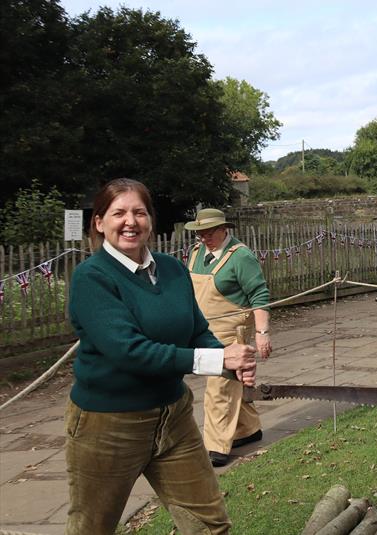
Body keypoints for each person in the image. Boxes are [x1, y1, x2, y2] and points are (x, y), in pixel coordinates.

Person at [66, 178, 257, 535]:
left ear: (151, 220)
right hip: (108, 426)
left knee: (210, 525)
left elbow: (197, 330)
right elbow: (131, 352)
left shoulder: (171, 269)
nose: (130, 221)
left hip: (174, 418)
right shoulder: (91, 279)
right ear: (99, 222)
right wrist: (216, 362)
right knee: (91, 529)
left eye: (139, 212)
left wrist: (231, 361)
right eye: (118, 213)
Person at [184, 208, 272, 467]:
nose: (204, 237)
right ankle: (249, 430)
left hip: (233, 334)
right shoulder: (196, 253)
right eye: (199, 233)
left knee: (219, 388)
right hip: (203, 332)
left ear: (225, 229)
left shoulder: (241, 256)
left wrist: (262, 334)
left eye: (209, 232)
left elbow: (260, 296)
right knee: (232, 382)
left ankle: (215, 448)